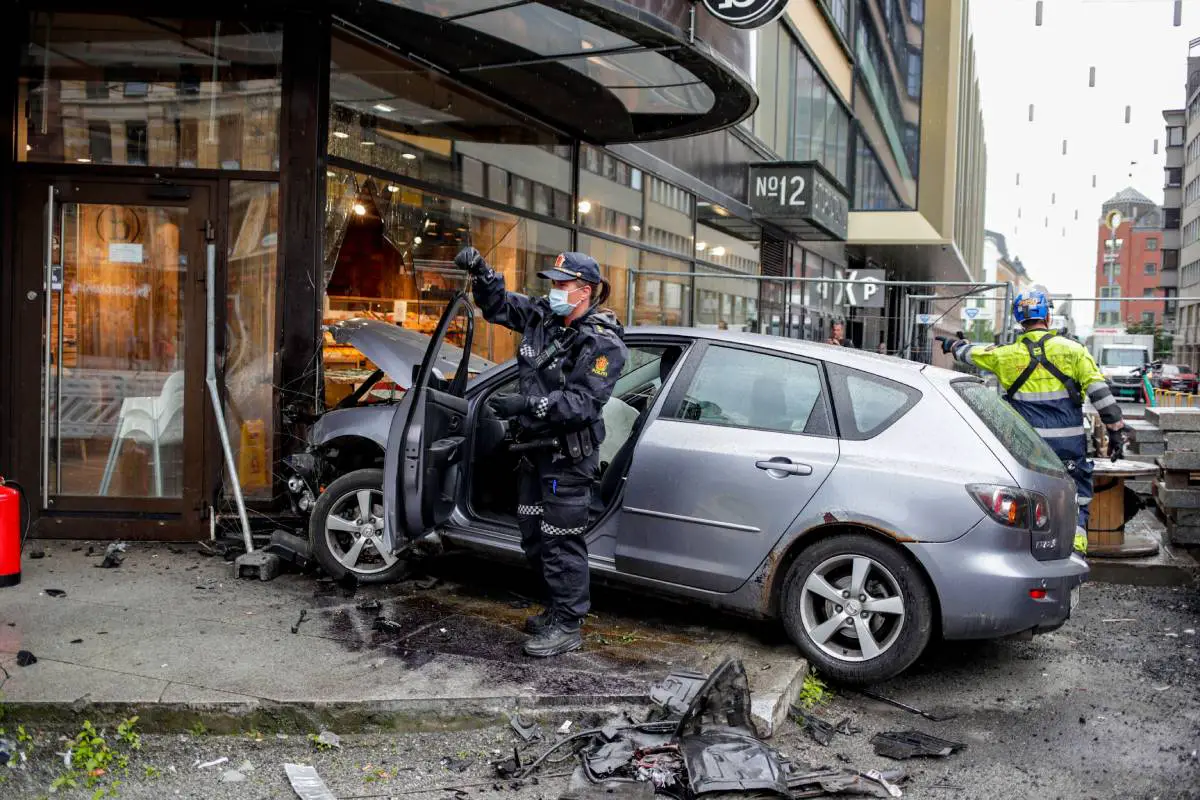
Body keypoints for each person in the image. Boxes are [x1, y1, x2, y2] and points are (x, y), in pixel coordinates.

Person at [454, 246, 628, 657]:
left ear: (585, 291)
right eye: (553, 283)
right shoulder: (542, 318)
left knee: (562, 542)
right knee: (534, 538)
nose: (555, 290)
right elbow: (498, 306)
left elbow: (584, 403)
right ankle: (556, 609)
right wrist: (482, 272)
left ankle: (568, 624)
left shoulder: (603, 344)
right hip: (534, 453)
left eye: (563, 284)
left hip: (568, 459)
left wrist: (527, 405)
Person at [939, 290, 1128, 554]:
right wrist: (1116, 431)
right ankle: (1075, 548)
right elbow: (1100, 393)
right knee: (1076, 495)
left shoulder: (1005, 355)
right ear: (1048, 316)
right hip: (1068, 446)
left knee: (1028, 497)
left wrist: (954, 346)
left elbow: (972, 354)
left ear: (1019, 320)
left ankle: (1030, 550)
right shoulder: (1073, 351)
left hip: (1026, 449)